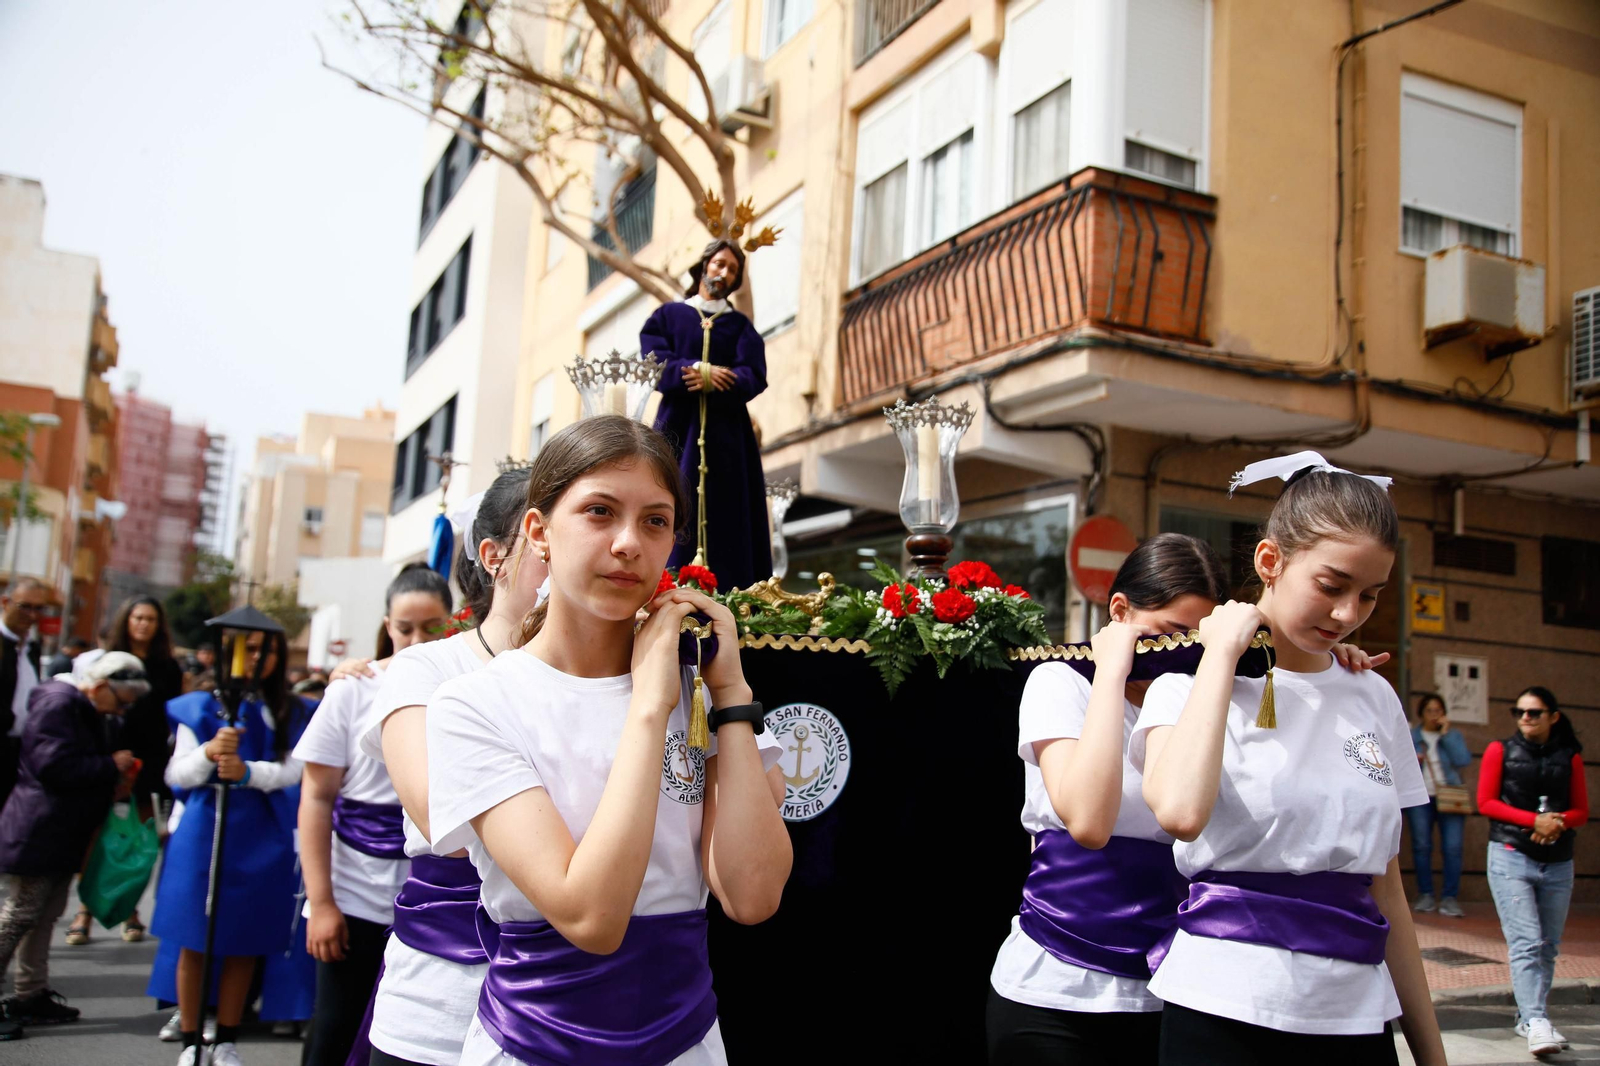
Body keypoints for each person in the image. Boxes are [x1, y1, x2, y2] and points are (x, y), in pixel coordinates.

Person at [428, 415, 792, 1066]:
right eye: (600, 511)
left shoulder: (705, 695)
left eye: (655, 521)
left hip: (688, 1045)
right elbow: (592, 918)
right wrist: (649, 706)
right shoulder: (475, 706)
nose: (629, 543)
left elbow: (752, 895)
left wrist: (731, 692)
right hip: (532, 1046)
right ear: (538, 532)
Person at [988, 534, 1386, 1065]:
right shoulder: (1060, 682)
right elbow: (1089, 821)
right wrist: (1111, 672)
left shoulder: (1198, 699)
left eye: (1194, 641)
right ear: (1121, 612)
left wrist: (1330, 660)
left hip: (1169, 989)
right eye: (1168, 635)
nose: (1177, 654)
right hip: (1058, 988)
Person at [1134, 451, 1445, 1065]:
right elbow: (1178, 813)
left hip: (1356, 1012)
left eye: (1370, 596)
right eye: (1331, 587)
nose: (1348, 614)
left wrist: (1431, 1055)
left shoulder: (1373, 694)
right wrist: (1221, 657)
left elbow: (1388, 890)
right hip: (1223, 1007)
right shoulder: (1183, 688)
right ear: (1270, 561)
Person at [352, 465, 545, 1066]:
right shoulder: (427, 669)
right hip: (441, 990)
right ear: (494, 555)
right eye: (540, 537)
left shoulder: (635, 671)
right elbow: (445, 821)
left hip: (567, 998)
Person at [293, 563, 452, 1066]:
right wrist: (321, 903)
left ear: (453, 623)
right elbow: (316, 799)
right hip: (354, 892)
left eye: (431, 627)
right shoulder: (352, 690)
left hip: (429, 896)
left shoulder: (465, 688)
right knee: (336, 1028)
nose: (415, 639)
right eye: (404, 627)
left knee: (403, 1040)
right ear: (387, 625)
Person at [148, 629, 312, 1066]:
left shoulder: (289, 709)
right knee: (192, 939)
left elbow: (294, 769)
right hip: (203, 831)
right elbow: (176, 774)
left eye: (265, 650)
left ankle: (226, 1039)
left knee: (245, 940)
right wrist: (208, 754)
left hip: (261, 834)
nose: (256, 658)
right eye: (247, 649)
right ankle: (190, 1041)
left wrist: (247, 773)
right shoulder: (199, 706)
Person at [0, 651, 146, 1039]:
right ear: (99, 687)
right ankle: (24, 993)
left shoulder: (77, 706)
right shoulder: (61, 704)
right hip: (39, 826)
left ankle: (30, 994)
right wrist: (109, 765)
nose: (120, 711)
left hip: (56, 827)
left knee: (42, 914)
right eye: (120, 701)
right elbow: (51, 764)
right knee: (20, 915)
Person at [644, 239, 772, 590]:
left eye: (731, 269)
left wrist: (724, 379)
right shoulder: (669, 316)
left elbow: (754, 374)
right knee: (668, 491)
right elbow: (653, 361)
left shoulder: (740, 328)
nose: (723, 272)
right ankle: (662, 583)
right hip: (677, 428)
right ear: (704, 266)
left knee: (729, 509)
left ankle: (733, 589)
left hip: (728, 436)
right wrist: (695, 369)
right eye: (719, 264)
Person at [65, 596, 184, 946]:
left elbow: (170, 720)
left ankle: (129, 910)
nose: (143, 624)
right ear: (126, 621)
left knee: (139, 840)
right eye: (137, 617)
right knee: (97, 836)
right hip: (107, 756)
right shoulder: (103, 661)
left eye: (150, 618)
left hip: (150, 763)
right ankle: (85, 909)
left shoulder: (169, 667)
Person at [1478, 685, 1587, 1057]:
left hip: (1558, 861)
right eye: (1520, 711)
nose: (1525, 718)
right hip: (1510, 856)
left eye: (1534, 712)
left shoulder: (1569, 756)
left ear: (1553, 717)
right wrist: (1534, 821)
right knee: (1525, 942)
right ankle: (1538, 1020)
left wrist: (1556, 822)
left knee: (1547, 946)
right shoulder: (1500, 750)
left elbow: (1581, 811)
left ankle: (1528, 1017)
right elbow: (1486, 801)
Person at [1406, 692, 1472, 919]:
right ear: (1421, 714)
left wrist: (1446, 736)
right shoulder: (1412, 735)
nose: (1434, 715)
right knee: (1421, 846)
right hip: (1421, 796)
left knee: (1453, 848)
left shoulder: (1452, 735)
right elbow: (1398, 762)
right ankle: (1425, 894)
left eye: (1438, 711)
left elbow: (1463, 760)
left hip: (1450, 795)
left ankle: (1449, 898)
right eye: (1430, 711)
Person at [0, 577, 51, 814]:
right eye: (26, 606)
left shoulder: (31, 648)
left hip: (18, 753)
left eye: (39, 608)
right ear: (5, 602)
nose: (32, 615)